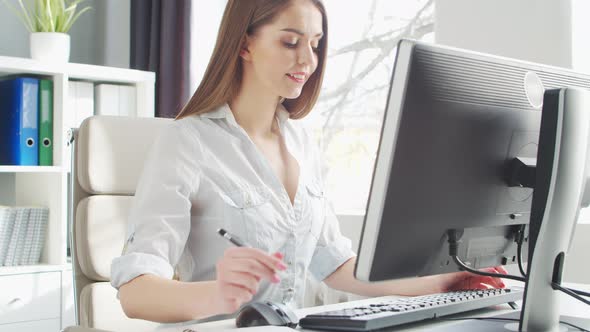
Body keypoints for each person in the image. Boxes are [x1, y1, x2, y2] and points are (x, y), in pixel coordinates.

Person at [110, 0, 507, 324]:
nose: (308, 60)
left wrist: (446, 281)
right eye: (290, 42)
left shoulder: (302, 142)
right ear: (244, 45)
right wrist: (218, 293)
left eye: (315, 44)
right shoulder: (188, 141)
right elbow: (136, 293)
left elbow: (337, 266)